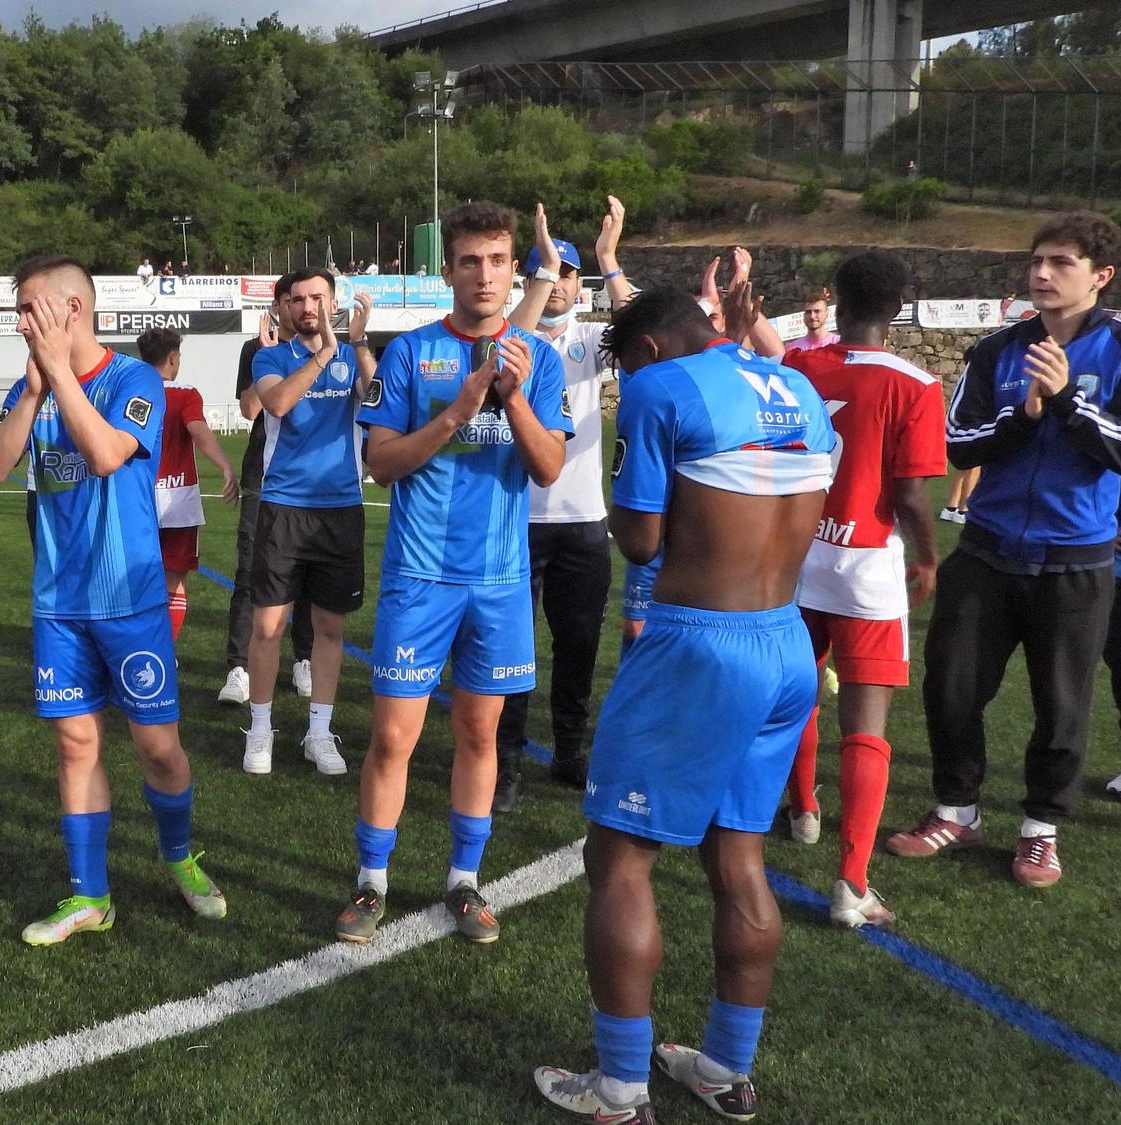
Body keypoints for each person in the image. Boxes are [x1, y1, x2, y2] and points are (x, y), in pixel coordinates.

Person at [533, 287, 835, 1123]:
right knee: (737, 858)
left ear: (651, 351)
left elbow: (638, 538)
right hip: (784, 641)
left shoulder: (661, 386)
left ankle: (622, 1087)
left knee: (620, 856)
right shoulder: (795, 384)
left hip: (701, 641)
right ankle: (726, 1069)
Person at [888, 211, 1121, 887]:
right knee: (951, 687)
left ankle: (1040, 829)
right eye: (1036, 260)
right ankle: (956, 808)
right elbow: (960, 445)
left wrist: (1064, 398)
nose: (1041, 273)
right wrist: (1023, 416)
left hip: (1077, 559)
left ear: (1102, 275)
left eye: (1061, 262)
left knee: (1061, 706)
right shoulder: (995, 351)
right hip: (986, 550)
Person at [338, 201, 570, 947]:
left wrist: (511, 399)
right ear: (448, 272)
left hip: (500, 582)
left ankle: (463, 881)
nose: (485, 274)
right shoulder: (410, 355)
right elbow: (379, 464)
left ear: (513, 269)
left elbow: (547, 466)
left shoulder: (540, 358)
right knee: (394, 737)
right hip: (421, 577)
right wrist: (459, 409)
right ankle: (371, 883)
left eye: (499, 260)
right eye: (470, 260)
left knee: (481, 735)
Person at [0, 254, 225, 946]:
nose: (22, 321)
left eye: (31, 308)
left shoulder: (133, 378)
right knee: (74, 742)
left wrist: (58, 376)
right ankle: (90, 894)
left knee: (158, 748)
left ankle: (179, 854)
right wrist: (30, 395)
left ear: (71, 310)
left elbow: (109, 452)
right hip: (59, 601)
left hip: (131, 597)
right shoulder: (31, 384)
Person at [774, 250, 944, 927]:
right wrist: (928, 558)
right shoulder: (915, 383)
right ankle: (851, 883)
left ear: (836, 301)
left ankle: (804, 810)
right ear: (897, 308)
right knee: (867, 728)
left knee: (796, 692)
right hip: (867, 565)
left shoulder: (798, 366)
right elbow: (908, 495)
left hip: (797, 558)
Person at [495, 203, 623, 808]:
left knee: (578, 648)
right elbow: (503, 345)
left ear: (579, 284)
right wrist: (541, 267)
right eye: (550, 272)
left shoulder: (591, 338)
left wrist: (608, 260)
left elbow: (642, 334)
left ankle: (571, 752)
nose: (560, 283)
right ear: (532, 281)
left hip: (582, 522)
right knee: (512, 650)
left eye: (570, 273)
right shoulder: (512, 336)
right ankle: (507, 760)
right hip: (516, 519)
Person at [241, 271, 376, 778]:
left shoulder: (351, 353)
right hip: (283, 506)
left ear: (333, 301)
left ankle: (319, 732)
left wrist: (358, 344)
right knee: (268, 626)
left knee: (330, 626)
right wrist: (324, 354)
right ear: (284, 308)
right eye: (297, 300)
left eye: (317, 297)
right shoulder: (270, 356)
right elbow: (276, 402)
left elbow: (379, 394)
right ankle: (260, 729)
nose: (308, 307)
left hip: (341, 508)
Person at [218, 315, 316, 707]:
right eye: (289, 301)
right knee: (250, 573)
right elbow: (250, 410)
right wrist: (264, 353)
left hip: (311, 478)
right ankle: (239, 668)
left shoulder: (324, 349)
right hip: (263, 476)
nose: (297, 309)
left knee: (310, 575)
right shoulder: (255, 349)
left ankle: (304, 659)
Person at [140, 327, 236, 640]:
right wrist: (224, 465)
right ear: (173, 357)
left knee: (135, 578)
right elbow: (198, 430)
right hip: (178, 501)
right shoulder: (185, 394)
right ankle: (164, 654)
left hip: (137, 498)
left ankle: (138, 648)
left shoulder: (132, 390)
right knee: (174, 582)